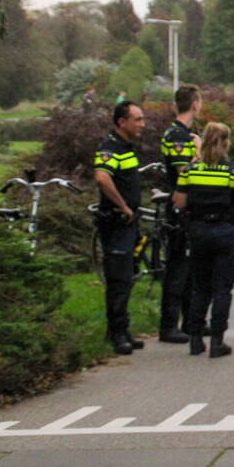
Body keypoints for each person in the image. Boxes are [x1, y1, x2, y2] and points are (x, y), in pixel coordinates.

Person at [172, 122, 234, 358]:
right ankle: (217, 341)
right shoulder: (233, 171)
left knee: (200, 287)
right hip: (225, 232)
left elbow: (179, 201)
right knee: (222, 288)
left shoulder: (190, 171)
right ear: (226, 143)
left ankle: (195, 339)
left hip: (198, 232)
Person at [93, 101, 146, 355]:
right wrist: (123, 206)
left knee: (127, 277)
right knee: (118, 278)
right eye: (137, 119)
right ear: (122, 122)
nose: (142, 124)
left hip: (128, 223)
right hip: (116, 222)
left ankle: (123, 329)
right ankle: (116, 334)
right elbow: (102, 178)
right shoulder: (110, 147)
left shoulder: (126, 147)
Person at [158, 83, 203, 344]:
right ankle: (168, 325)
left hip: (190, 209)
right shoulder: (177, 136)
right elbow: (184, 173)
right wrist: (199, 151)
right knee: (177, 269)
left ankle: (190, 322)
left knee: (191, 270)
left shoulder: (185, 134)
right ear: (195, 104)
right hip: (179, 209)